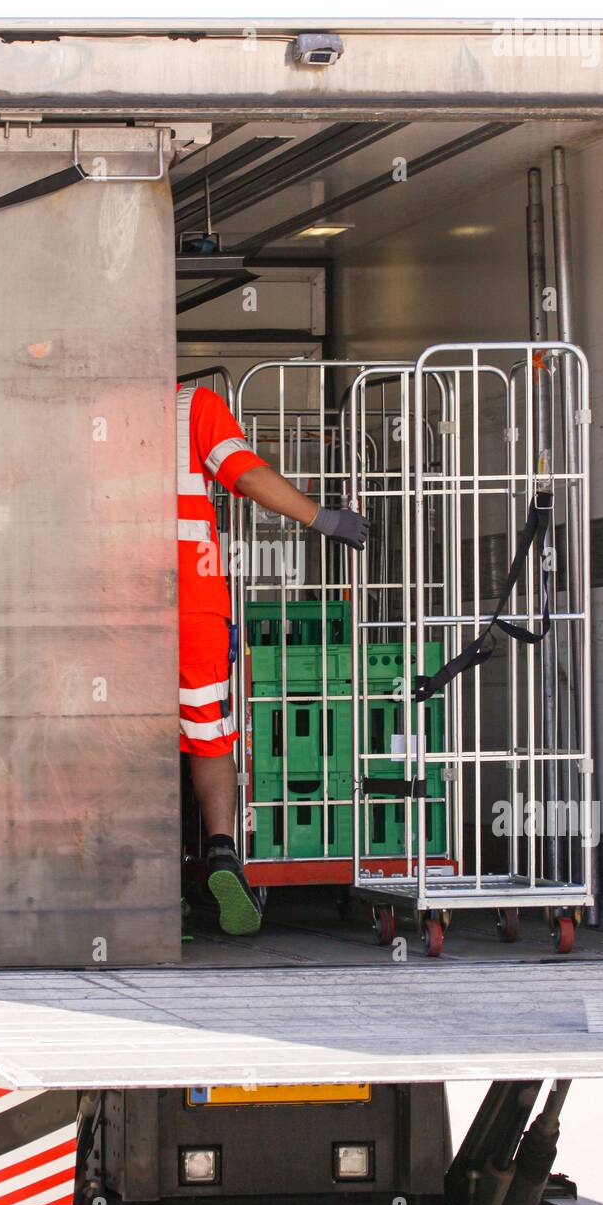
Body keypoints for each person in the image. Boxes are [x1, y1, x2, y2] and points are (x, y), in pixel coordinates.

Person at [176, 380, 369, 935]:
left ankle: (145, 886)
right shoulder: (192, 405)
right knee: (209, 733)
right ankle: (220, 852)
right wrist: (324, 520)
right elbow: (244, 472)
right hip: (194, 601)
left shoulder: (79, 407)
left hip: (109, 603)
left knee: (118, 735)